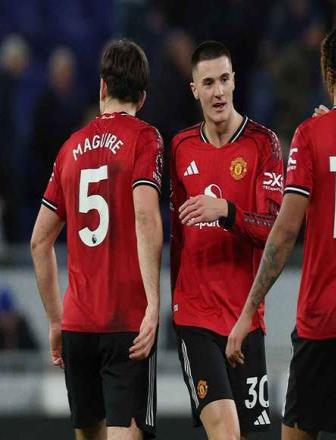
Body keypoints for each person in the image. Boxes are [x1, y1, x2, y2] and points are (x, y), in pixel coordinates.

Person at [227, 27, 336, 440]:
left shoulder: (311, 135)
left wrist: (249, 310)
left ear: (330, 70)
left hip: (322, 322)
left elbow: (285, 231)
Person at [30, 39, 163, 440]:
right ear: (142, 97)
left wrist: (56, 320)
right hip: (126, 324)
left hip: (77, 326)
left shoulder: (70, 148)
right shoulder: (145, 138)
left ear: (102, 87)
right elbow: (145, 216)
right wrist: (154, 304)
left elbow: (39, 242)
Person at [170, 40, 283, 439]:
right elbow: (177, 237)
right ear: (194, 90)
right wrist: (173, 304)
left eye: (223, 80)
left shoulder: (263, 144)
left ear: (234, 81)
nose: (217, 92)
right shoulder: (180, 148)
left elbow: (275, 230)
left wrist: (227, 211)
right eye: (208, 83)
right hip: (195, 316)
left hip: (245, 319)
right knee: (225, 432)